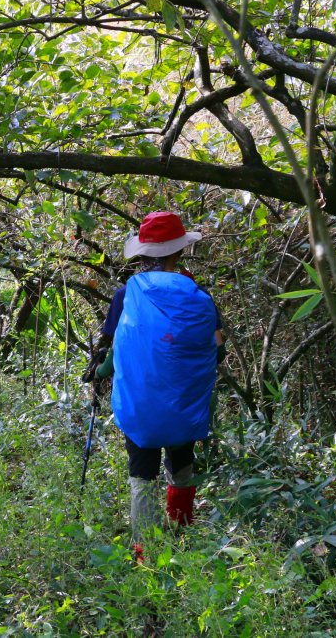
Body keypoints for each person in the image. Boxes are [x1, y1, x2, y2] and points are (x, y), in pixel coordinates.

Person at [92, 211, 224, 550]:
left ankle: (145, 553)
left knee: (142, 473)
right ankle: (183, 533)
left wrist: (99, 373)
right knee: (182, 464)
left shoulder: (126, 295)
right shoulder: (199, 296)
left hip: (140, 407)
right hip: (184, 405)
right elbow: (217, 350)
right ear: (181, 251)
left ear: (143, 253)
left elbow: (112, 350)